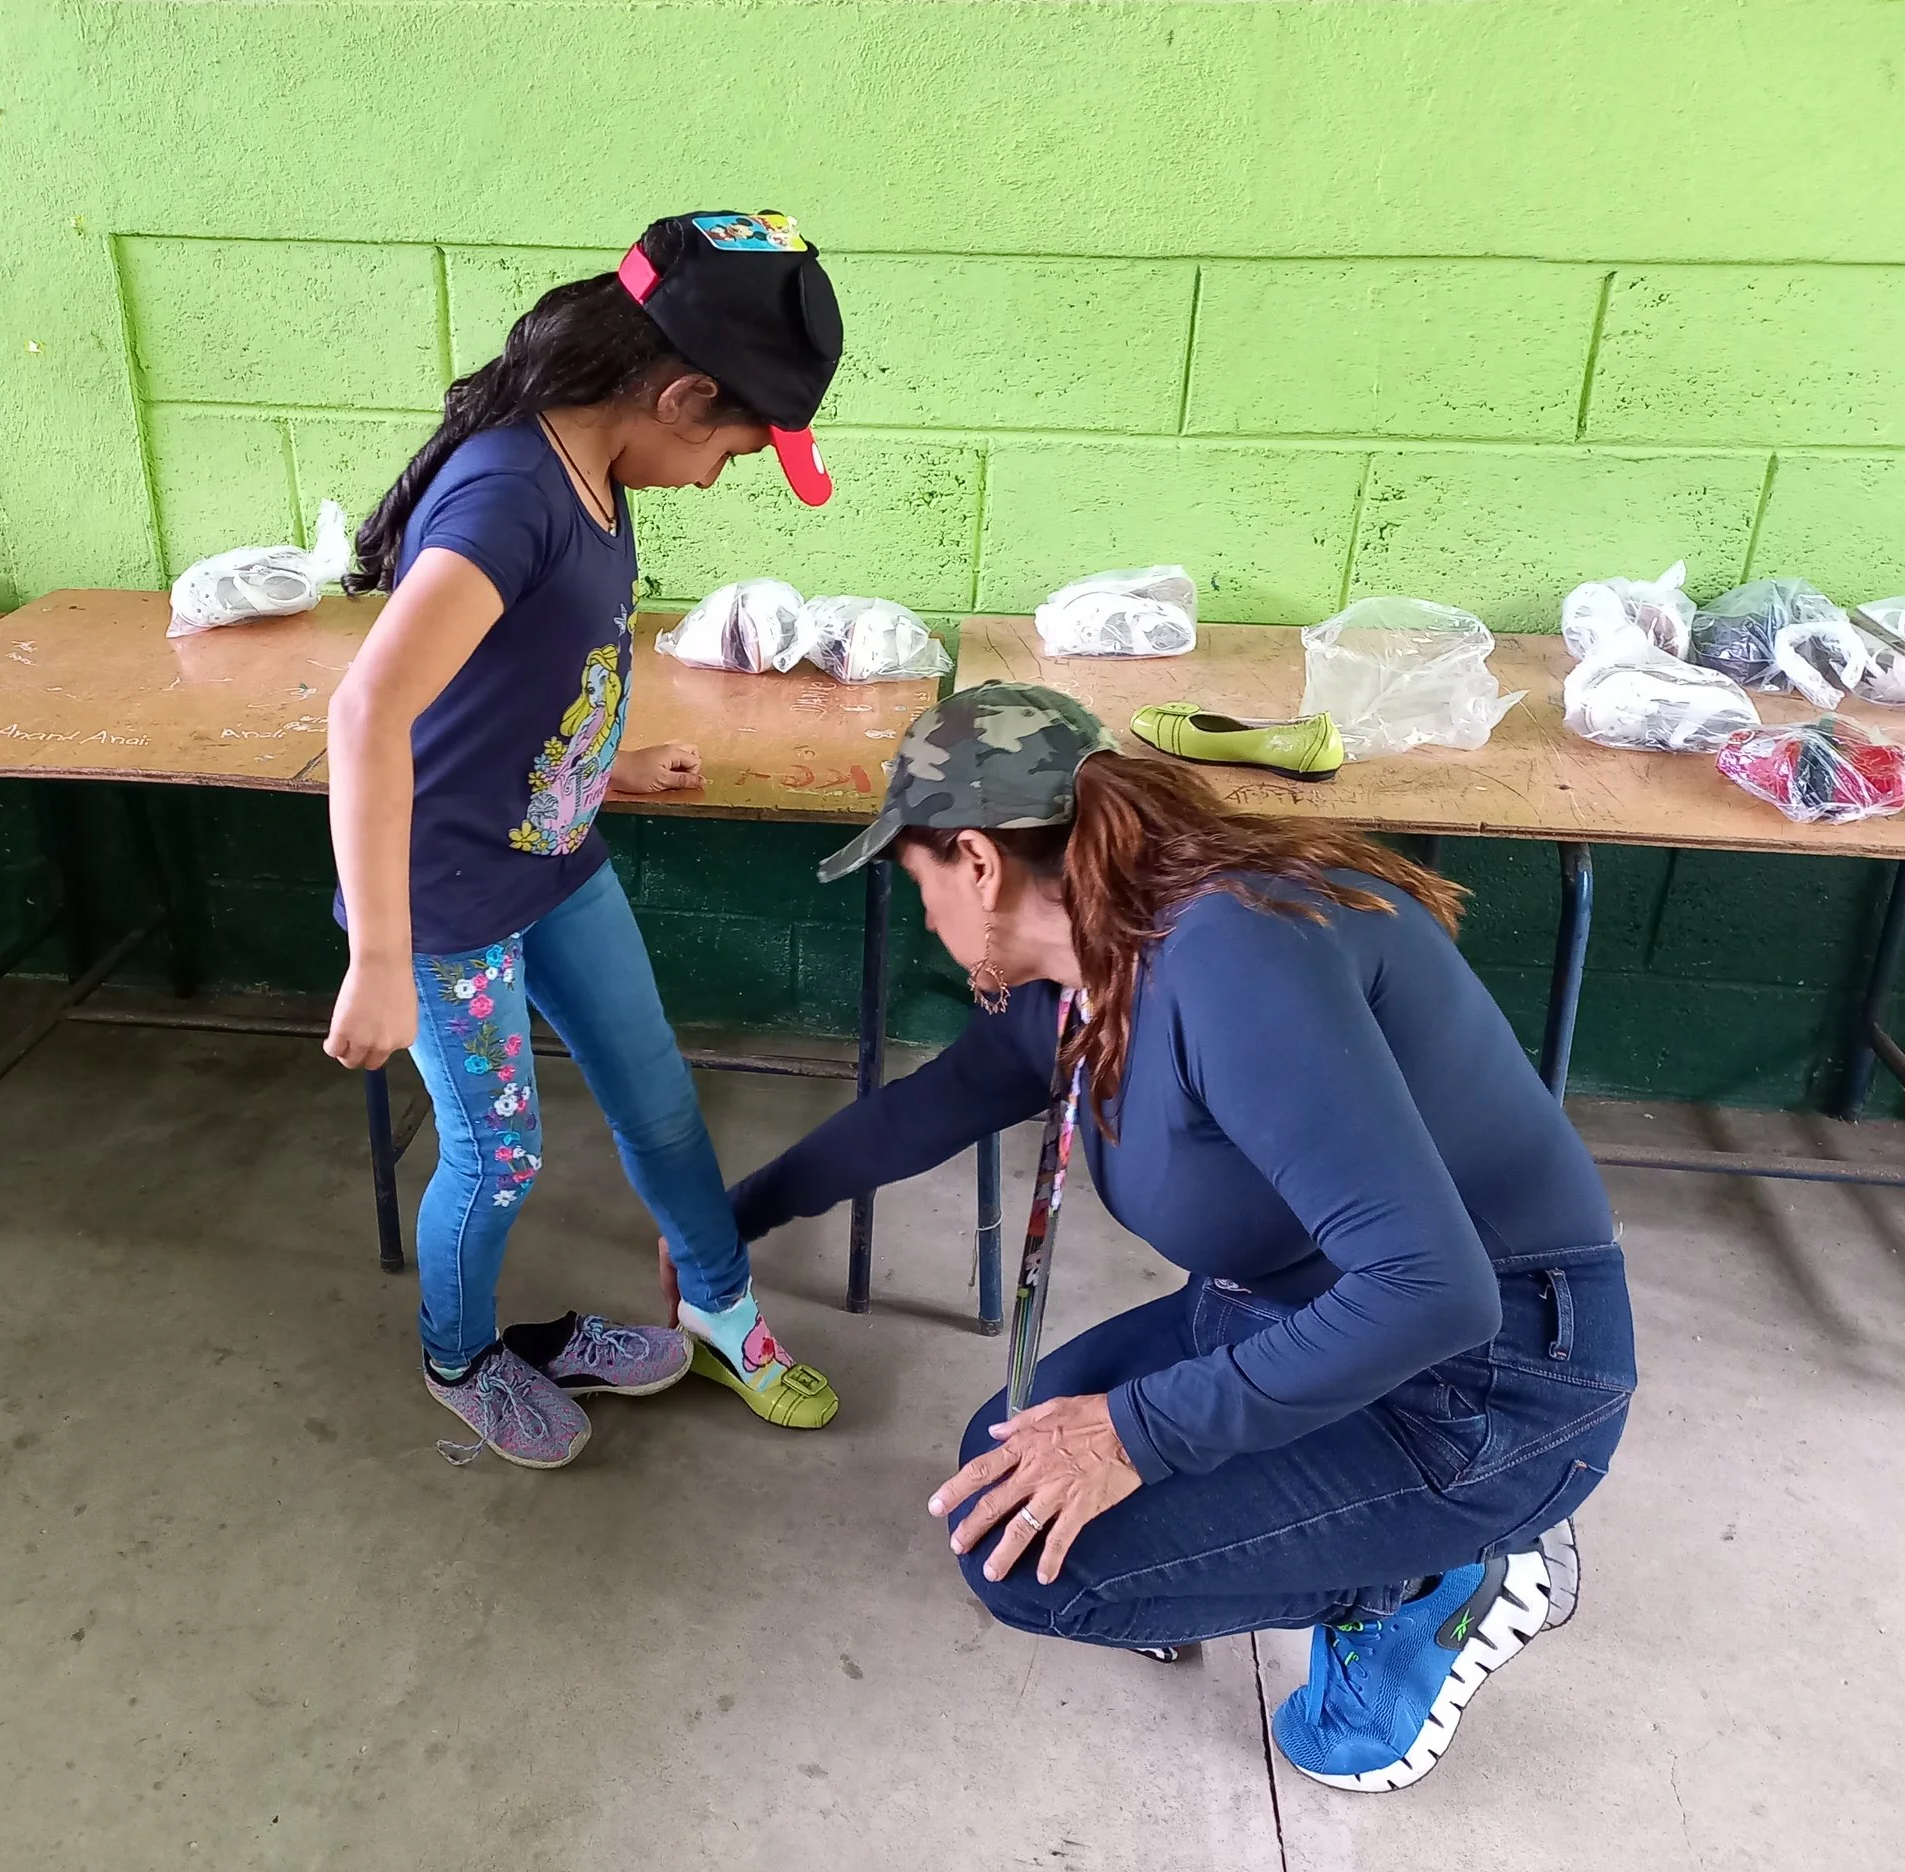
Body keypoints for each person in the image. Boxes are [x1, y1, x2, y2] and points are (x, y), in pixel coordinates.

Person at [727, 683, 1636, 1790]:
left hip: (1489, 1380)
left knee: (1040, 1569)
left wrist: (1132, 1435)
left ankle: (1435, 1580)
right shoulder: (1098, 947)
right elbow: (935, 1105)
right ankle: (1296, 1547)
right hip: (1293, 1305)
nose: (924, 916)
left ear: (976, 861)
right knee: (1000, 1471)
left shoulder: (1230, 955)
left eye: (918, 880)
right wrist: (737, 1217)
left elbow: (1431, 1290)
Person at [323, 212, 847, 1466]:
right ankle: (461, 1357)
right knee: (497, 1158)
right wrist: (382, 956)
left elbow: (518, 682)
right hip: (442, 899)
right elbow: (367, 710)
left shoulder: (594, 469)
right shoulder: (510, 494)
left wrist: (608, 762)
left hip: (552, 858)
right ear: (682, 396)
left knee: (657, 1098)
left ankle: (719, 1312)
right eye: (736, 451)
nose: (720, 477)